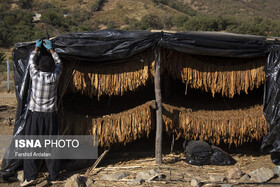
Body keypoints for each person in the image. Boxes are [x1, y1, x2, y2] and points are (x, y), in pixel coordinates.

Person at [20, 39, 62, 187]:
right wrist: (51, 50)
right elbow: (59, 64)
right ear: (51, 68)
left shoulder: (35, 76)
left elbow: (31, 60)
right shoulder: (54, 77)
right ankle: (54, 176)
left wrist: (37, 47)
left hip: (36, 115)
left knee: (32, 145)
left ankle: (31, 177)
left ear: (39, 67)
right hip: (50, 116)